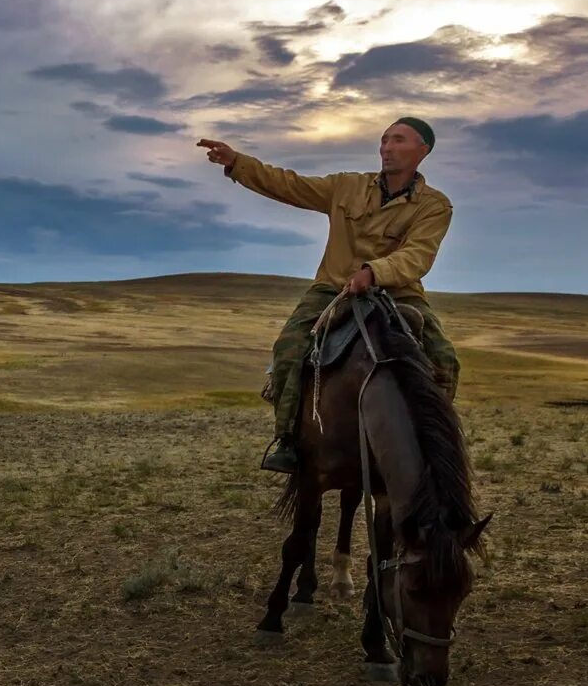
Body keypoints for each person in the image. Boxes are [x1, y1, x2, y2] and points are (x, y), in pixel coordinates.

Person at [196, 118, 461, 474]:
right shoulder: (346, 186)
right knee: (289, 347)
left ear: (422, 150)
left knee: (444, 359)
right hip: (332, 288)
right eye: (384, 140)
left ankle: (433, 448)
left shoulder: (434, 205)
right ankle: (287, 438)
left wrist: (374, 272)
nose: (386, 148)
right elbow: (290, 185)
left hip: (398, 292)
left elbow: (418, 254)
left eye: (398, 140)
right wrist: (237, 163)